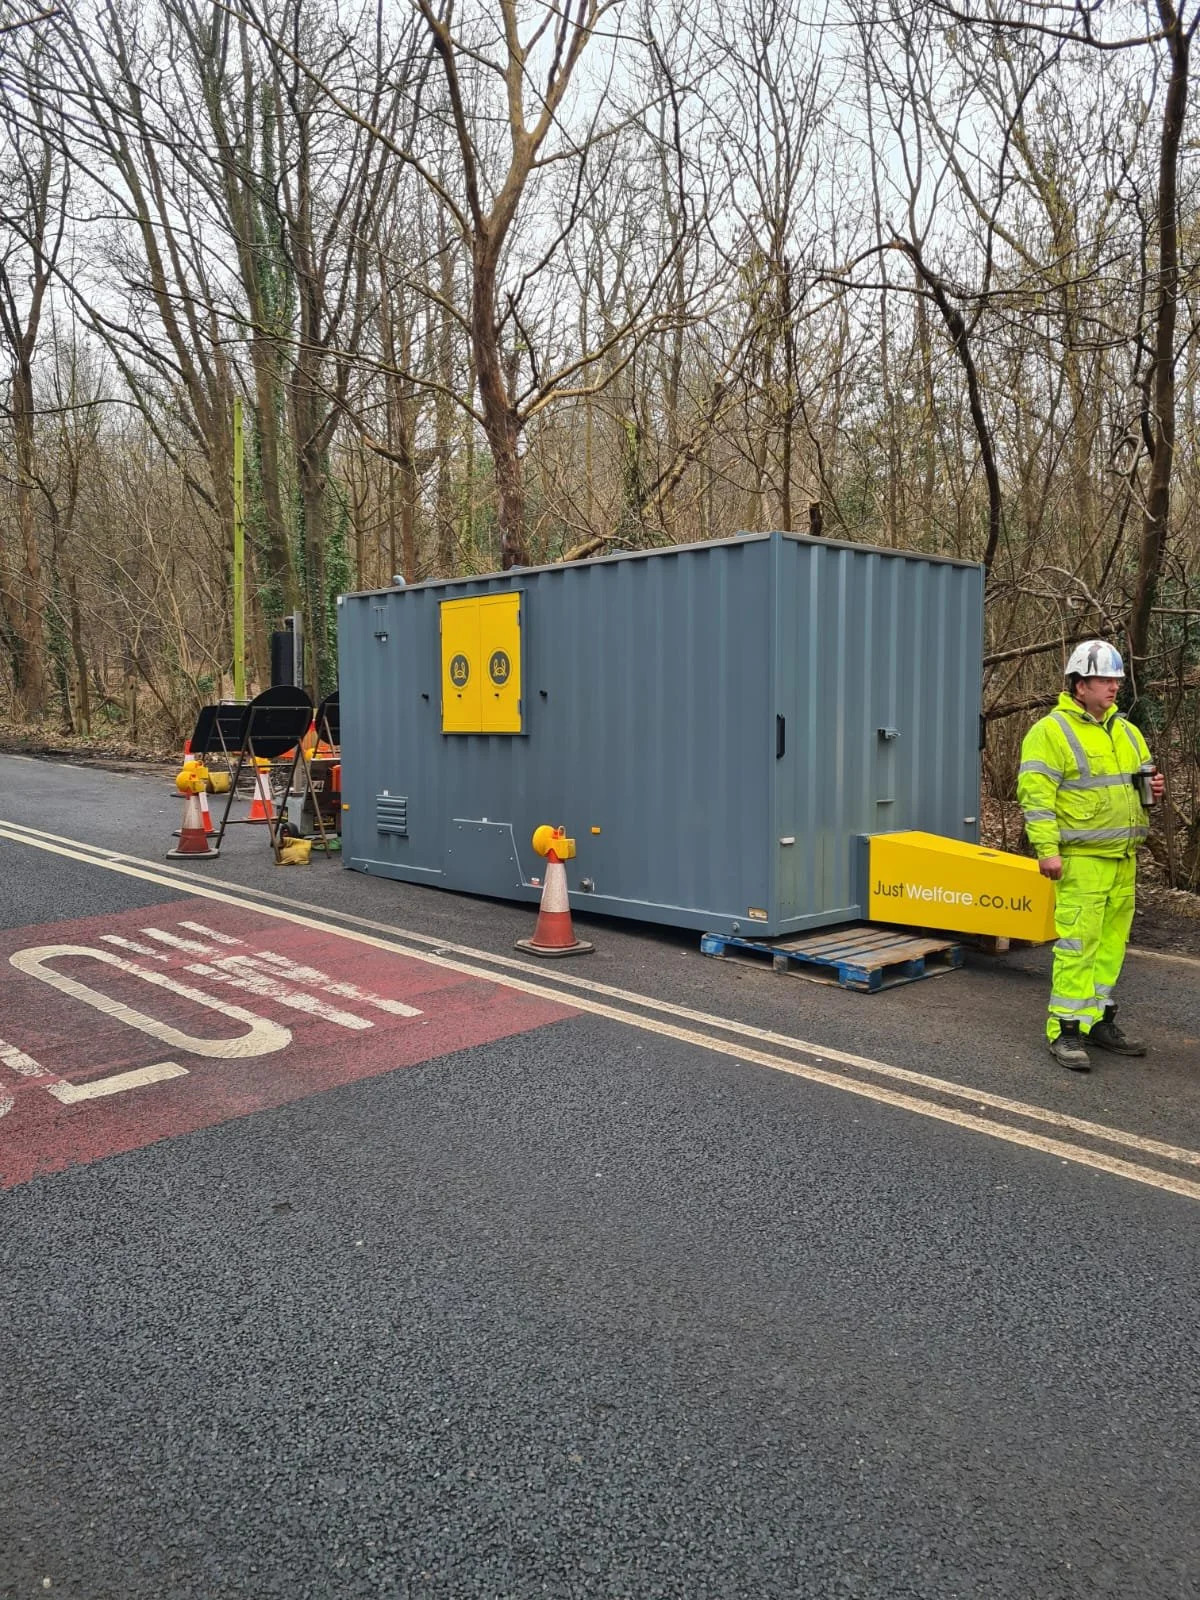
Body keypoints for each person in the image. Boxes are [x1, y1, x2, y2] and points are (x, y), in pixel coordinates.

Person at [1017, 640, 1165, 1071]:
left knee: (1110, 947)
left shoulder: (1127, 731)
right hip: (1081, 859)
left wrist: (1152, 792)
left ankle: (1097, 1019)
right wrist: (1047, 850)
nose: (1113, 687)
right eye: (1104, 679)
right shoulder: (1051, 732)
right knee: (1078, 946)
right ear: (1079, 685)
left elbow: (1140, 786)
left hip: (1123, 859)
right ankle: (1065, 1029)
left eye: (1117, 679)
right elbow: (1036, 798)